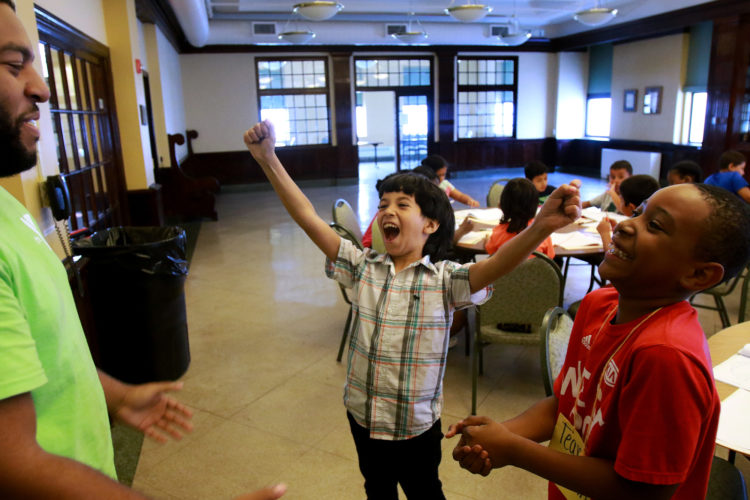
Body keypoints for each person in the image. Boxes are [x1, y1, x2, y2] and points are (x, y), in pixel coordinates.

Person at [0, 3, 284, 498]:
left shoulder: (6, 208)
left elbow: (48, 353)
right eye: (12, 63)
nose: (42, 87)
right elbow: (12, 461)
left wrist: (116, 395)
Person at [243, 119, 581, 499]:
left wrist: (540, 227)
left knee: (425, 492)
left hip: (415, 427)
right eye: (384, 204)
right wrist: (269, 159)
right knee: (377, 489)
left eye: (403, 204)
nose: (388, 210)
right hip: (363, 417)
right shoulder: (361, 266)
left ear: (431, 224)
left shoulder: (444, 280)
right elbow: (307, 217)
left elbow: (495, 265)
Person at [447, 182, 750, 500]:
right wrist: (497, 437)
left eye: (655, 225)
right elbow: (566, 406)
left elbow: (642, 491)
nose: (627, 223)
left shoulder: (665, 356)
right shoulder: (598, 306)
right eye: (640, 212)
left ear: (699, 275)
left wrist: (515, 450)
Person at [485, 178, 554, 259]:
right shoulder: (542, 232)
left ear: (503, 204)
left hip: (506, 272)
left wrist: (487, 240)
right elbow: (550, 256)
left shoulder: (498, 233)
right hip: (535, 271)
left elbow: (490, 251)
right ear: (535, 205)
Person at [596, 174, 660, 249]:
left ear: (631, 208)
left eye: (621, 199)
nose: (619, 200)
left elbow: (612, 253)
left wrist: (605, 234)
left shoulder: (636, 231)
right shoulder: (651, 225)